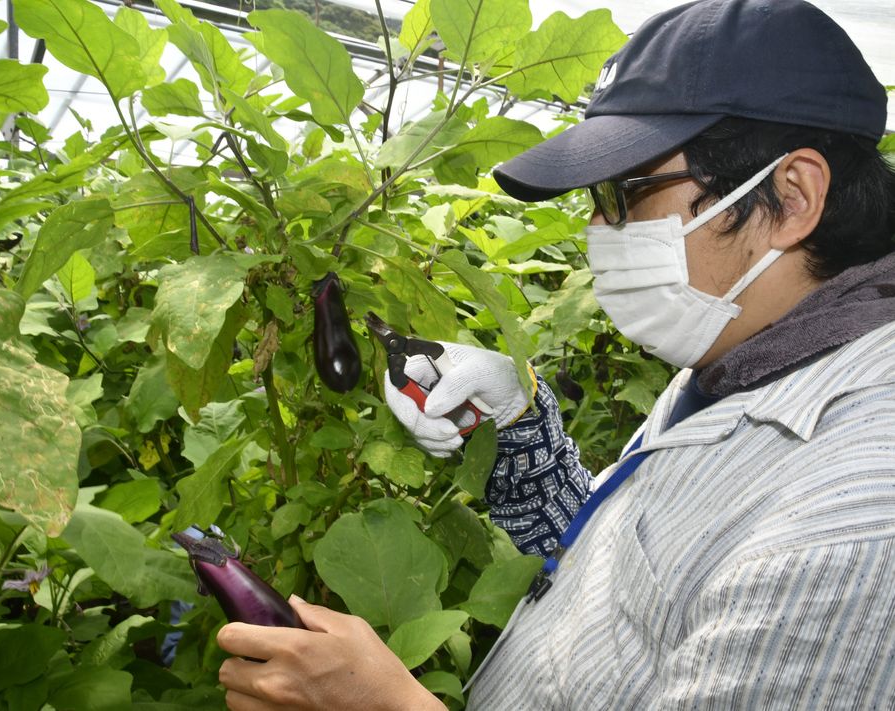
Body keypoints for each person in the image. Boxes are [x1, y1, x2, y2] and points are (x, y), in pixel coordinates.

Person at [214, 0, 895, 708]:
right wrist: (517, 422)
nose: (600, 226)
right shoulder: (745, 356)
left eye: (625, 194)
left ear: (791, 197)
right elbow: (622, 573)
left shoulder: (859, 521)